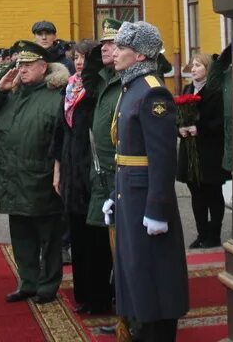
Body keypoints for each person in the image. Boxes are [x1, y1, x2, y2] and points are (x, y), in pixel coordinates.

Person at [103, 20, 188, 342]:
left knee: (153, 272)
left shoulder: (152, 91)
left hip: (146, 199)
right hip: (131, 193)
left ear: (139, 55)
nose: (115, 53)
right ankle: (139, 326)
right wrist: (116, 193)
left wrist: (158, 209)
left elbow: (163, 158)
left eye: (122, 48)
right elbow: (126, 151)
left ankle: (155, 332)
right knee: (135, 269)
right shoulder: (132, 87)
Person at [0, 40, 68, 304]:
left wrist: (57, 172)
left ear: (44, 67)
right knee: (21, 236)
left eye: (28, 64)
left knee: (49, 237)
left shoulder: (56, 96)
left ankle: (48, 285)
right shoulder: (10, 95)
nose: (22, 69)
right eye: (20, 64)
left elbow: (62, 139)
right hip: (11, 177)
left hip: (41, 178)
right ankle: (27, 282)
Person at [60, 38, 113, 315]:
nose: (79, 62)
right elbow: (63, 132)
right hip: (72, 172)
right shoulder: (69, 88)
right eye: (75, 57)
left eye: (84, 57)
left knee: (97, 241)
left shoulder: (96, 90)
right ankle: (84, 294)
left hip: (93, 173)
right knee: (78, 237)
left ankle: (101, 297)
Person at [87, 18, 123, 335]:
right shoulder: (105, 79)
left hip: (121, 175)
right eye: (103, 44)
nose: (105, 48)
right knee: (112, 247)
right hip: (102, 176)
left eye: (112, 43)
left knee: (126, 250)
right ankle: (121, 307)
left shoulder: (129, 82)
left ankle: (129, 312)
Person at [176, 53, 231, 249]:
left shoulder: (215, 91)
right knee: (196, 194)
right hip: (190, 152)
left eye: (198, 65)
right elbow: (178, 117)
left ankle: (214, 235)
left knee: (212, 194)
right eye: (193, 65)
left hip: (209, 152)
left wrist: (200, 129)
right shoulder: (187, 89)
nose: (193, 69)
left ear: (207, 69)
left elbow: (221, 121)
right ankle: (201, 234)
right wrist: (180, 128)